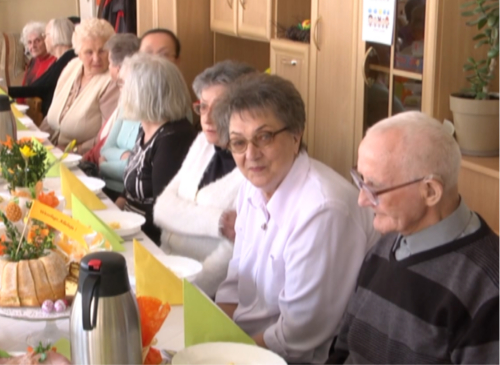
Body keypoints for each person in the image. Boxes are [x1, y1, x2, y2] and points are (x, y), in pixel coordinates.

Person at [212, 73, 378, 363]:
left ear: (296, 135)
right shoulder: (252, 188)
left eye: (263, 137)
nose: (251, 154)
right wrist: (211, 340)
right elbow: (235, 282)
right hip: (249, 345)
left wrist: (229, 357)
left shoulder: (322, 209)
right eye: (238, 143)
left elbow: (299, 335)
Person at [327, 112, 499, 364]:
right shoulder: (388, 243)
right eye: (361, 181)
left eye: (374, 188)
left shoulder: (487, 289)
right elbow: (344, 349)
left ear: (430, 191)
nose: (362, 200)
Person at [155, 61, 256, 297]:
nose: (207, 118)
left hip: (204, 292)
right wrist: (218, 222)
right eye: (202, 106)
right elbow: (161, 208)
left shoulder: (254, 165)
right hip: (164, 265)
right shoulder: (203, 143)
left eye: (219, 108)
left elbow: (231, 255)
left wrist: (185, 293)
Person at [118, 53, 197, 245]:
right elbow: (130, 189)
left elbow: (164, 214)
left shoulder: (173, 138)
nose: (119, 91)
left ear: (144, 94)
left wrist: (120, 227)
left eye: (122, 86)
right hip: (129, 228)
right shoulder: (146, 126)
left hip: (149, 241)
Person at [40, 18, 119, 152]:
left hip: (81, 158)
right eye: (89, 52)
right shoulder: (72, 66)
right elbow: (52, 114)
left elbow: (107, 135)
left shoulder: (112, 81)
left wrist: (74, 150)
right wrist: (36, 138)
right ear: (79, 53)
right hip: (51, 149)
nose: (96, 58)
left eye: (102, 51)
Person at [88, 33, 140, 199]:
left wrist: (104, 165)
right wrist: (124, 155)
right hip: (107, 185)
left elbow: (136, 168)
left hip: (128, 194)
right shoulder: (126, 104)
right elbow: (106, 148)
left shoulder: (152, 114)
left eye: (109, 62)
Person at [9, 18, 76, 117]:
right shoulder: (60, 59)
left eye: (45, 36)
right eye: (29, 42)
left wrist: (6, 90)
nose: (45, 40)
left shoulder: (67, 59)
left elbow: (39, 88)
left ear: (56, 36)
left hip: (48, 116)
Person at [20, 21, 56, 87]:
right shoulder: (32, 62)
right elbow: (24, 88)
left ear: (46, 40)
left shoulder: (55, 61)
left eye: (37, 41)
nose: (33, 46)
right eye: (29, 42)